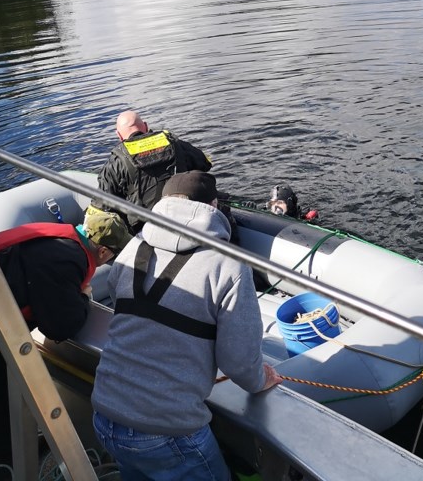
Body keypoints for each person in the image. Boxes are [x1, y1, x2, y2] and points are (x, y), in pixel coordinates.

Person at [91, 171, 281, 481]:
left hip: (105, 415)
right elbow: (238, 360)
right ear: (215, 205)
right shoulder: (227, 264)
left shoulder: (134, 247)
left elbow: (120, 302)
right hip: (165, 431)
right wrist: (260, 380)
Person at [0, 209, 130, 474]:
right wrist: (82, 298)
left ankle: (4, 467)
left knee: (4, 401)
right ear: (103, 252)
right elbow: (59, 325)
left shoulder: (56, 242)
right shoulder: (68, 258)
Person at [93, 110, 213, 233]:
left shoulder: (117, 160)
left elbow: (103, 205)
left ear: (119, 135)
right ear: (145, 126)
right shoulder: (173, 142)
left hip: (146, 229)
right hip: (187, 218)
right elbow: (205, 163)